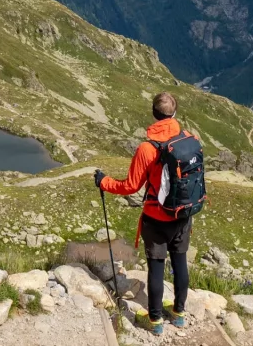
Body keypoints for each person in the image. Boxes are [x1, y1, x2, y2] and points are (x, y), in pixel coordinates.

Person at [94, 92, 193, 335]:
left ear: (153, 114)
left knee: (157, 267)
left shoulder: (146, 149)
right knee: (180, 263)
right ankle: (179, 313)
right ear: (174, 114)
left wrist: (103, 182)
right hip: (182, 215)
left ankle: (156, 321)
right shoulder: (188, 139)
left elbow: (131, 186)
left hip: (156, 217)